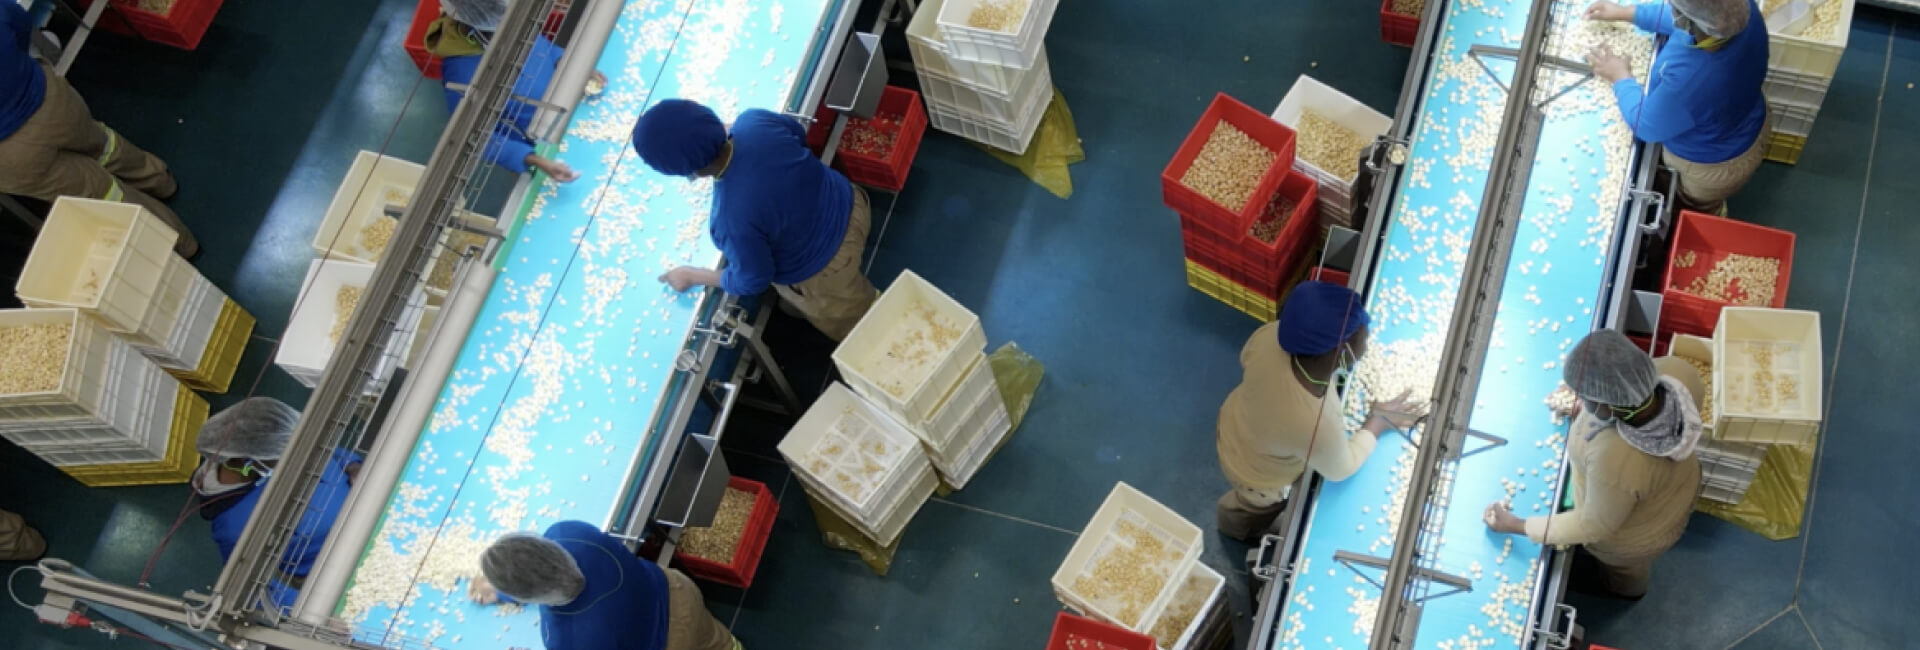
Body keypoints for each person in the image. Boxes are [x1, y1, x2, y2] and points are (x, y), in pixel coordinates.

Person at [1482, 329, 1703, 600]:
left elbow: (1593, 526)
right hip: (1677, 490)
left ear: (1607, 406)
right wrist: (1587, 410)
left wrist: (1518, 525)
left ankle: (1627, 594)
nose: (1582, 399)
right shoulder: (1677, 372)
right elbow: (1625, 397)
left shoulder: (1616, 460)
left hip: (1637, 536)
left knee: (1625, 572)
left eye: (1586, 396)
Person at [634, 99, 876, 341]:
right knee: (802, 297)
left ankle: (869, 324)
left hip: (827, 268)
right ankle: (802, 302)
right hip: (851, 203)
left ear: (687, 173)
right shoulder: (755, 122)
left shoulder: (728, 221)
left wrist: (692, 275)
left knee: (861, 327)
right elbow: (797, 135)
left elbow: (754, 279)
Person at [1214, 282, 1425, 541]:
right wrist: (1377, 422)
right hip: (1256, 474)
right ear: (1342, 351)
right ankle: (1233, 528)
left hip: (1234, 422)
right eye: (1364, 338)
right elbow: (1341, 469)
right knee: (1250, 509)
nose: (1368, 344)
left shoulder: (1270, 336)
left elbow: (1247, 359)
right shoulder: (1314, 425)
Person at [0, 1, 196, 256]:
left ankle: (178, 243)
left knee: (100, 194)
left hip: (11, 157)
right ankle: (159, 179)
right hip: (49, 100)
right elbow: (19, 23)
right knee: (103, 144)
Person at [1585, 0, 1769, 215]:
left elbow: (1645, 125)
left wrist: (1620, 77)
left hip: (1716, 163)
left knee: (1695, 204)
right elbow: (1694, 12)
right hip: (1749, 118)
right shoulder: (1740, 10)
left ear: (1688, 21)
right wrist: (1627, 13)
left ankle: (1711, 212)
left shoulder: (1694, 78)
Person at [193, 397, 362, 609]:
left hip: (367, 511)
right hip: (338, 569)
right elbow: (248, 586)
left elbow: (322, 448)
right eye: (287, 454)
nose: (300, 453)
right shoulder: (233, 526)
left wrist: (352, 465)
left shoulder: (276, 441)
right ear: (249, 461)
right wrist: (309, 608)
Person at [469, 520, 742, 650]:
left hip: (668, 645)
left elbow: (541, 585)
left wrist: (503, 591)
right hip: (679, 595)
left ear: (531, 597)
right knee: (714, 641)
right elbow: (546, 565)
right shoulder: (570, 533)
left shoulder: (563, 639)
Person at [427, 0, 589, 183]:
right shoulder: (462, 75)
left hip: (572, 104)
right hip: (545, 137)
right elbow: (475, 136)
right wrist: (535, 159)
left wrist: (568, 62)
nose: (512, 26)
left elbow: (544, 49)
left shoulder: (511, 24)